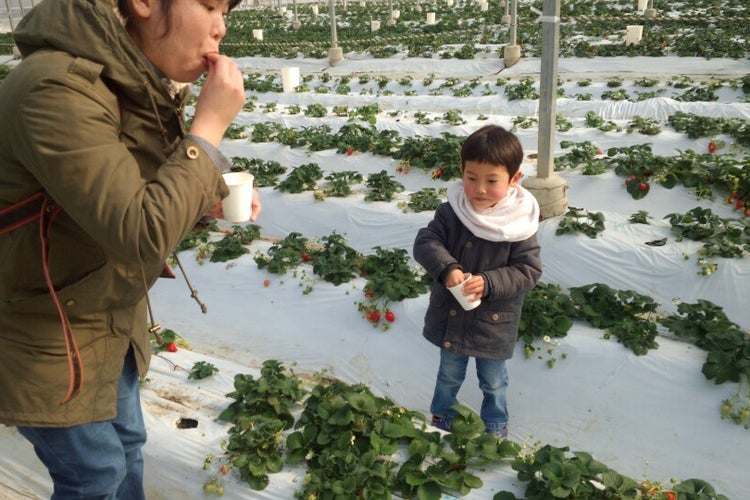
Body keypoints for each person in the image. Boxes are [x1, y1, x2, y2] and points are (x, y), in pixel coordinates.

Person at [0, 0, 260, 497]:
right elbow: (140, 232)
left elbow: (126, 192)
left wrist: (204, 197)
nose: (221, 27)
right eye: (209, 5)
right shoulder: (54, 88)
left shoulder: (127, 81)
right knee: (94, 474)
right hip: (46, 332)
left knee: (127, 447)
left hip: (104, 316)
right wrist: (207, 132)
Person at [413, 124, 542, 439]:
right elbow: (426, 241)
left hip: (493, 323)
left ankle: (495, 425)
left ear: (514, 179)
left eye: (491, 180)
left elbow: (528, 269)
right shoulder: (453, 211)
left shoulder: (518, 222)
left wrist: (489, 282)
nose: (479, 189)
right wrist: (448, 268)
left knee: (493, 379)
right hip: (453, 316)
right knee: (449, 374)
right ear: (462, 171)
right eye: (471, 178)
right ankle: (442, 418)